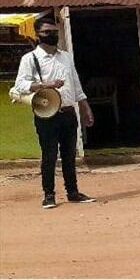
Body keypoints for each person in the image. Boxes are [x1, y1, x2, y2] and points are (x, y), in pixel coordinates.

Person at [13, 17, 96, 209]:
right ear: (38, 35)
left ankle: (73, 192)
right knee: (49, 155)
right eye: (47, 32)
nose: (52, 35)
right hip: (46, 113)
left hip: (68, 111)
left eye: (55, 32)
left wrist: (84, 107)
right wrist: (44, 85)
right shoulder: (30, 59)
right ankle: (49, 194)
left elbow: (75, 84)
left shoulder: (66, 56)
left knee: (69, 154)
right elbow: (20, 85)